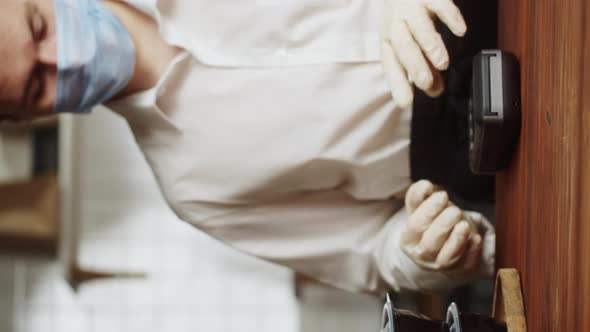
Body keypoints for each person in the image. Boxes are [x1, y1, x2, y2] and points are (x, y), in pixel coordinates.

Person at [0, 0, 495, 294]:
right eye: (37, 83)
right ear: (29, 116)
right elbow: (374, 254)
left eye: (40, 27)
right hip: (477, 154)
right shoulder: (192, 189)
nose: (66, 59)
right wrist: (421, 253)